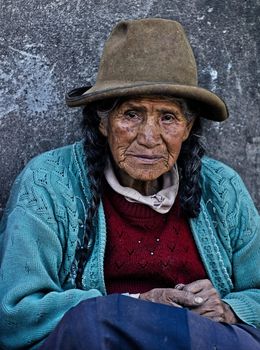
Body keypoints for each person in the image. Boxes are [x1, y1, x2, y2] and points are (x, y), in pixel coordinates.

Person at [0, 18, 259, 350]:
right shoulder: (48, 182)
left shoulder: (222, 187)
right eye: (132, 114)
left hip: (202, 340)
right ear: (103, 122)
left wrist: (228, 309)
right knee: (91, 324)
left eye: (168, 117)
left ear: (188, 127)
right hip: (104, 341)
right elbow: (14, 314)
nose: (149, 138)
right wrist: (136, 304)